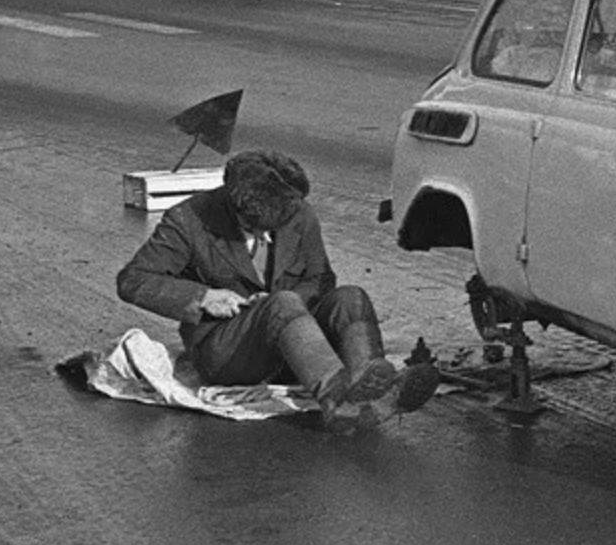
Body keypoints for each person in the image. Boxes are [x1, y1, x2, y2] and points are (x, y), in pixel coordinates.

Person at [116, 149, 439, 429]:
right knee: (282, 303)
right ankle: (337, 401)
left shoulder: (297, 213)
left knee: (349, 297)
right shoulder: (188, 220)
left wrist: (284, 308)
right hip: (229, 352)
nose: (266, 236)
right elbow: (133, 280)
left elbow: (321, 280)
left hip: (298, 346)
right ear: (236, 207)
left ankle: (370, 386)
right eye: (255, 229)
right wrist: (203, 299)